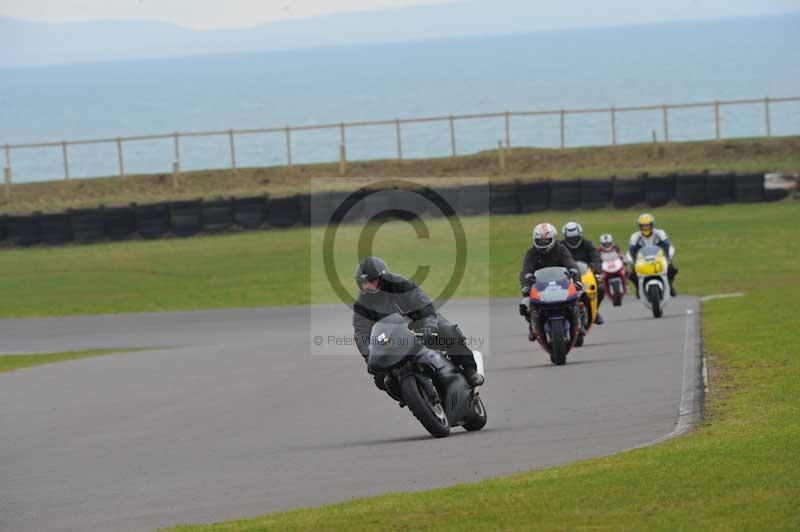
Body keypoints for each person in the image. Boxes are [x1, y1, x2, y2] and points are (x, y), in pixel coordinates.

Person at [352, 256, 484, 389]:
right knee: (381, 378)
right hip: (395, 339)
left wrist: (429, 325)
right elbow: (361, 333)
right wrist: (370, 357)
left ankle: (469, 370)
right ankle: (409, 396)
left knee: (448, 333)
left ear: (383, 278)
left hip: (422, 324)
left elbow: (422, 302)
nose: (367, 286)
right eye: (363, 283)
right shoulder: (361, 305)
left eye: (371, 281)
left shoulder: (400, 284)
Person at [518, 223, 581, 341]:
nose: (543, 243)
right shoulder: (531, 252)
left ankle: (578, 323)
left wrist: (577, 281)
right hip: (539, 285)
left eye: (546, 240)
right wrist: (525, 286)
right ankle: (532, 326)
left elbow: (571, 264)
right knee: (525, 305)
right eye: (540, 241)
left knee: (578, 298)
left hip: (561, 283)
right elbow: (525, 271)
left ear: (553, 238)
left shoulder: (560, 249)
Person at [560, 221, 605, 325]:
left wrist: (597, 272)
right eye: (570, 238)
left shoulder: (587, 244)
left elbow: (597, 258)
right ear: (565, 237)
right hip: (566, 276)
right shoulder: (561, 246)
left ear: (580, 235)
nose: (573, 241)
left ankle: (594, 312)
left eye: (575, 238)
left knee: (601, 289)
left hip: (586, 274)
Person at [625, 213, 678, 297]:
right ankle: (638, 288)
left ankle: (669, 285)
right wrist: (632, 261)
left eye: (647, 225)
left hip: (658, 258)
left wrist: (669, 256)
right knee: (631, 274)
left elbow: (668, 245)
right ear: (640, 226)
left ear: (652, 225)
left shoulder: (660, 233)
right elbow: (630, 250)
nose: (645, 228)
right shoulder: (635, 236)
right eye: (643, 226)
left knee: (672, 268)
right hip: (642, 260)